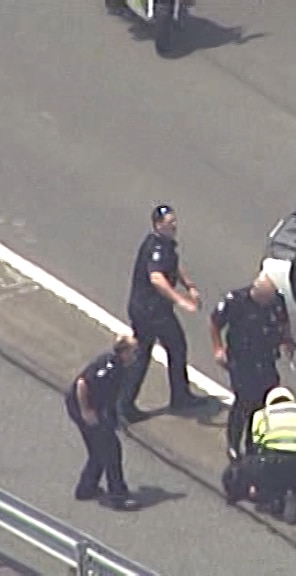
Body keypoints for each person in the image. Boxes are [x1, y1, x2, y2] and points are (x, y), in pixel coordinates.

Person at [120, 204, 207, 423]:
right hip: (151, 311)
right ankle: (128, 404)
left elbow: (174, 266)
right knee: (160, 350)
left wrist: (190, 285)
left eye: (175, 222)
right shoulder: (156, 248)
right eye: (170, 223)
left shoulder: (165, 245)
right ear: (158, 225)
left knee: (166, 349)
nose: (174, 226)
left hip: (152, 309)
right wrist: (181, 300)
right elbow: (157, 278)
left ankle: (131, 402)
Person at [210, 273, 296, 461]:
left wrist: (287, 340)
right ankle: (233, 444)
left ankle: (253, 443)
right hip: (242, 359)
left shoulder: (276, 301)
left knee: (263, 403)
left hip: (266, 357)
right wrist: (218, 348)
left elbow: (283, 322)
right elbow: (215, 323)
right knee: (244, 401)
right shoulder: (236, 301)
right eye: (267, 299)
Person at [65, 335, 140, 511]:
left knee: (99, 450)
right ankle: (118, 496)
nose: (136, 355)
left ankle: (86, 488)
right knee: (111, 450)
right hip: (85, 409)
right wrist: (86, 411)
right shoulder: (110, 368)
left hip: (96, 409)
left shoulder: (119, 366)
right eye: (133, 351)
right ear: (124, 352)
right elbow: (83, 384)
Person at [248, 386, 296, 525]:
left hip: (272, 460)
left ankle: (270, 495)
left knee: (256, 461)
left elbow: (256, 442)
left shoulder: (261, 415)